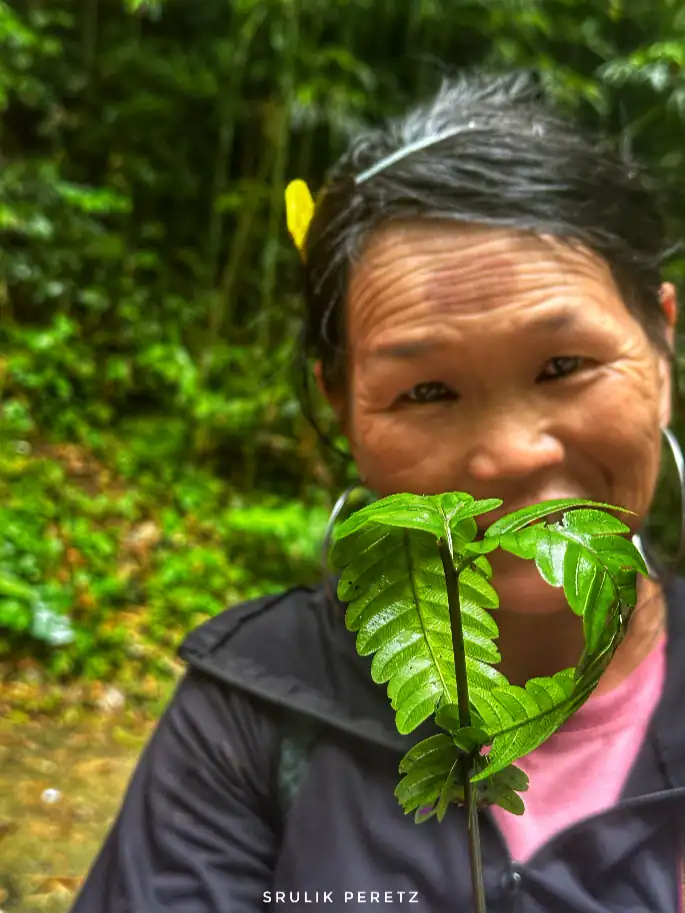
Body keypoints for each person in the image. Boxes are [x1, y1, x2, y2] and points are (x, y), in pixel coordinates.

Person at [71, 71, 685, 912]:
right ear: (342, 406)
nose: (506, 456)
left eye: (563, 366)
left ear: (659, 351)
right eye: (426, 392)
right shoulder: (252, 709)